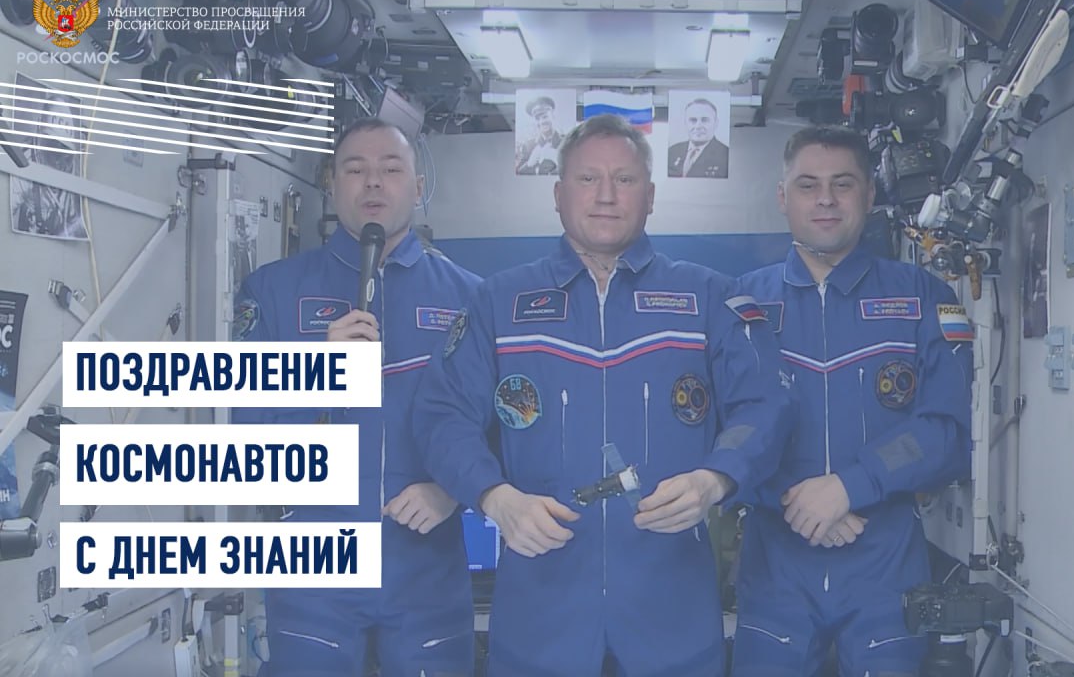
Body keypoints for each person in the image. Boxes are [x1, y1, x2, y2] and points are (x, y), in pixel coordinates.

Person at [416, 113, 791, 677]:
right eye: (588, 179)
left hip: (671, 604)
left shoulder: (710, 298)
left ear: (651, 196)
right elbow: (442, 415)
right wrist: (495, 498)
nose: (607, 195)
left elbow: (765, 406)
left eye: (625, 179)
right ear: (558, 195)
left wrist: (716, 478)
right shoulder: (499, 303)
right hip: (540, 606)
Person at [232, 117, 480, 677]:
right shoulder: (272, 291)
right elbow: (242, 426)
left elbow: (497, 423)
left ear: (418, 187)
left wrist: (453, 488)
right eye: (355, 169)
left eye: (391, 169)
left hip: (426, 567)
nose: (373, 182)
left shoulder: (470, 298)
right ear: (331, 184)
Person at [733, 126, 974, 676]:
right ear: (782, 197)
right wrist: (794, 498)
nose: (825, 199)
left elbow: (948, 430)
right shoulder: (740, 305)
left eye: (842, 184)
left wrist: (849, 487)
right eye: (808, 185)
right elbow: (718, 429)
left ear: (868, 196)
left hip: (884, 561)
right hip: (776, 564)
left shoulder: (922, 296)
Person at [667, 98, 729, 178]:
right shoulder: (672, 151)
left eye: (704, 120)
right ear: (685, 123)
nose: (698, 126)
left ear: (716, 123)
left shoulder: (725, 155)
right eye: (693, 120)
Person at [515, 95, 565, 175]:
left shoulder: (567, 142)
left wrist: (560, 163)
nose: (541, 122)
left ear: (553, 116)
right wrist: (529, 164)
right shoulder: (528, 145)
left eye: (545, 117)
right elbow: (519, 173)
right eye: (537, 119)